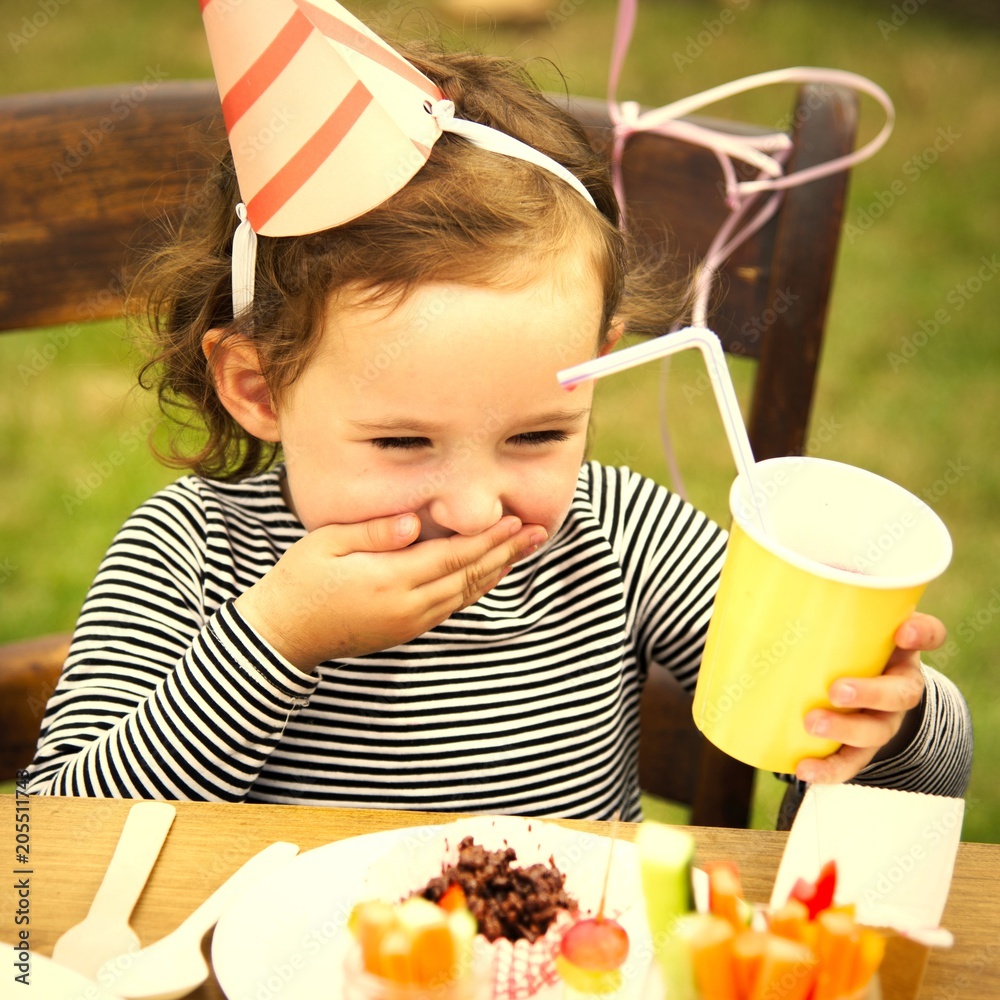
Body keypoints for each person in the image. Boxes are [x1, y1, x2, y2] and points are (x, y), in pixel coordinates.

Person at [28, 13, 971, 818]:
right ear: (259, 387)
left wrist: (890, 719)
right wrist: (274, 642)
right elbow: (56, 837)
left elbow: (891, 783)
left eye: (537, 435)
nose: (479, 511)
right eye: (402, 442)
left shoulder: (620, 537)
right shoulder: (190, 556)